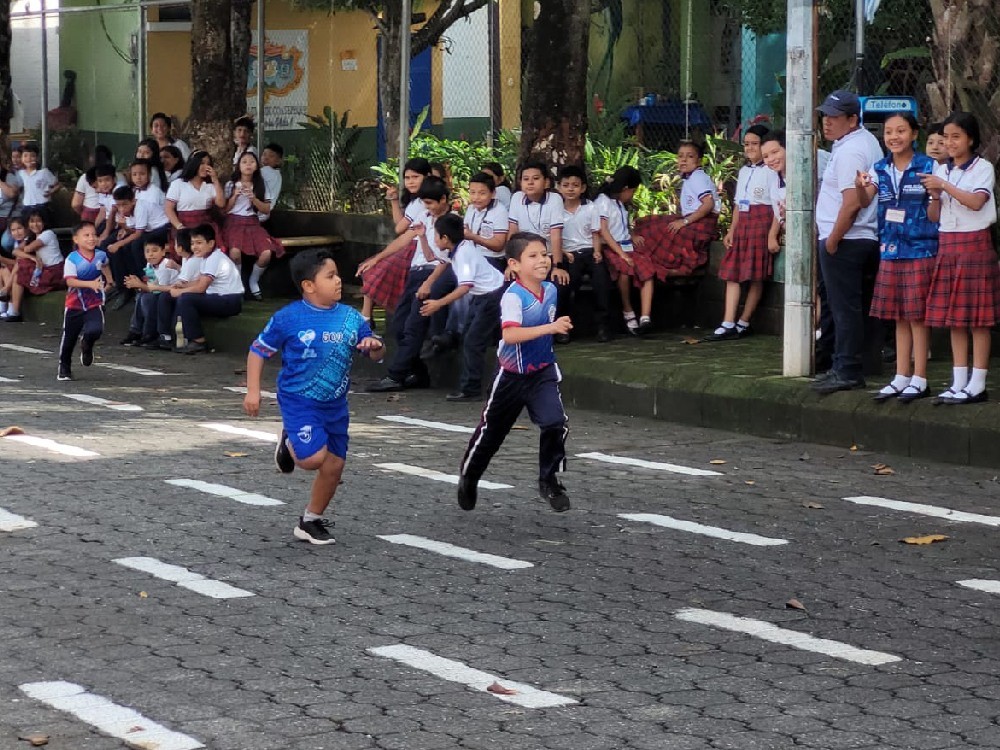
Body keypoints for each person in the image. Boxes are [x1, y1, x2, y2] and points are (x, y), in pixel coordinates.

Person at [243, 248, 384, 546]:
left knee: (334, 466)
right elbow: (258, 351)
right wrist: (253, 391)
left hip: (336, 404)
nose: (338, 282)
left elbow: (377, 350)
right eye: (330, 276)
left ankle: (310, 521)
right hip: (299, 399)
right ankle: (290, 439)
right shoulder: (288, 318)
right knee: (312, 460)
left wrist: (373, 345)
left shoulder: (350, 318)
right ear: (308, 285)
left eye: (338, 275)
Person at [457, 232, 572, 513]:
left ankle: (549, 480)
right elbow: (510, 335)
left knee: (555, 422)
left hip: (542, 372)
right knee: (491, 434)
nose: (542, 261)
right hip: (510, 377)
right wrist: (551, 327)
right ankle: (469, 478)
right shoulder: (513, 296)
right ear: (514, 264)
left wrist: (553, 329)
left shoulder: (552, 290)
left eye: (544, 255)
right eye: (532, 256)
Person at [855, 113, 938, 403]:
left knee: (917, 316)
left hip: (921, 249)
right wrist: (858, 185)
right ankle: (901, 376)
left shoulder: (929, 167)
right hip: (890, 249)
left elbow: (937, 211)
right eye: (889, 131)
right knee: (898, 316)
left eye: (901, 131)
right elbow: (865, 200)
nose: (894, 136)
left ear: (915, 134)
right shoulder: (879, 168)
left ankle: (921, 378)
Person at [920, 111, 1000, 405]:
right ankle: (958, 381)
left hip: (974, 245)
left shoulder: (983, 168)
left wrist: (944, 187)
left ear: (971, 139)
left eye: (956, 137)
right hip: (948, 245)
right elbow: (934, 216)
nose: (950, 143)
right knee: (955, 319)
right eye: (946, 137)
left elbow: (977, 202)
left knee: (978, 321)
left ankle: (978, 383)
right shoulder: (941, 171)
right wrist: (934, 195)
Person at [811, 89, 884, 394]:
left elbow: (852, 203)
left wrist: (833, 240)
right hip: (862, 238)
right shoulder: (863, 142)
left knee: (844, 308)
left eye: (835, 117)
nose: (827, 123)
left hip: (846, 239)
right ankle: (854, 363)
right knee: (856, 307)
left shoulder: (851, 150)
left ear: (853, 119)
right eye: (825, 116)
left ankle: (847, 369)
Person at [368, 176, 455, 392]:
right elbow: (409, 241)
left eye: (431, 203)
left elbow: (446, 260)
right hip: (416, 272)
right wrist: (378, 258)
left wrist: (429, 283)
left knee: (413, 325)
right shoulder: (424, 216)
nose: (428, 208)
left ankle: (396, 374)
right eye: (425, 203)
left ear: (444, 199)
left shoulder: (453, 222)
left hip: (435, 274)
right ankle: (419, 373)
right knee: (398, 325)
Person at [418, 213, 505, 402]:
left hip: (491, 296)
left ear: (445, 238)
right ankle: (472, 385)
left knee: (474, 341)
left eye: (435, 235)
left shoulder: (464, 253)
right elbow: (434, 258)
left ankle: (472, 389)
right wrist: (423, 236)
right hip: (482, 296)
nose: (435, 239)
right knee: (469, 337)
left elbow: (465, 287)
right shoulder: (457, 248)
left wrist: (438, 303)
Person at [706, 124, 775, 341]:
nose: (750, 148)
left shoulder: (772, 171)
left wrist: (773, 233)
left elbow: (776, 205)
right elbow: (737, 204)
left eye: (755, 144)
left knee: (756, 276)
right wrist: (731, 230)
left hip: (761, 222)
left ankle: (744, 322)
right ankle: (727, 322)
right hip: (743, 222)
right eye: (747, 144)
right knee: (732, 273)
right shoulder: (744, 171)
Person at [358, 157, 433, 327]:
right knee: (372, 269)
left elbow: (400, 229)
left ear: (427, 176)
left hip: (415, 248)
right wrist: (393, 200)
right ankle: (366, 318)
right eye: (407, 178)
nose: (411, 181)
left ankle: (366, 318)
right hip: (411, 244)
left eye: (416, 177)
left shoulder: (422, 201)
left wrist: (393, 202)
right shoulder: (416, 201)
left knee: (374, 271)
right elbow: (401, 227)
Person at [593, 165, 654, 335]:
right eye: (633, 192)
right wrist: (621, 254)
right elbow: (603, 231)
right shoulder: (603, 202)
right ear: (626, 188)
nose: (632, 196)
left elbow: (622, 225)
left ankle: (645, 317)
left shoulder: (620, 203)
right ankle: (628, 310)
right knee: (625, 270)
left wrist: (632, 235)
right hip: (612, 247)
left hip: (626, 244)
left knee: (647, 270)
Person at [554, 165, 612, 342]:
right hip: (568, 254)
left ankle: (603, 326)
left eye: (575, 185)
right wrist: (564, 253)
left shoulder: (591, 207)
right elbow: (553, 237)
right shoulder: (555, 209)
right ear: (559, 187)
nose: (570, 189)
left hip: (588, 251)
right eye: (566, 185)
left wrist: (597, 252)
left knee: (602, 280)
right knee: (565, 285)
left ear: (583, 188)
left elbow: (595, 233)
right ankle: (563, 328)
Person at [169, 224, 244, 354]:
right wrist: (182, 285)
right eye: (192, 243)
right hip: (218, 297)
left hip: (230, 300)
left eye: (199, 243)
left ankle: (199, 341)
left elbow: (200, 288)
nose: (194, 247)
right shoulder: (206, 257)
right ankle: (171, 337)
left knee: (186, 299)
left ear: (211, 243)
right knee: (177, 298)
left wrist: (179, 292)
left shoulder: (214, 259)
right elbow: (200, 281)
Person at [57, 222, 113, 381]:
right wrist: (90, 284)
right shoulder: (72, 259)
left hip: (94, 302)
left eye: (94, 235)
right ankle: (64, 367)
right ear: (76, 239)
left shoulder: (100, 255)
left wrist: (109, 280)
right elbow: (70, 282)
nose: (91, 238)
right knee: (69, 338)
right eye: (86, 235)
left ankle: (87, 345)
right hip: (74, 304)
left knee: (96, 329)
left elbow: (105, 265)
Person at [224, 151, 283, 300]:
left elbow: (266, 209)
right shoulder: (231, 184)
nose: (248, 165)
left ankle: (253, 281)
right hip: (234, 222)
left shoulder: (261, 184)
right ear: (239, 166)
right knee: (235, 252)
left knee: (266, 253)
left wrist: (254, 199)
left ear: (257, 166)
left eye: (252, 162)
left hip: (252, 223)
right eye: (244, 162)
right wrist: (235, 196)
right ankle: (237, 284)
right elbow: (224, 209)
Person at [105, 184, 172, 312]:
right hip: (147, 231)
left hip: (161, 229)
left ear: (133, 201)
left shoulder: (140, 207)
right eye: (118, 205)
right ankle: (125, 286)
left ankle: (145, 280)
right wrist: (123, 228)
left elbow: (138, 233)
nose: (122, 208)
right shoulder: (126, 212)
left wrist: (119, 243)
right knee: (121, 249)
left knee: (135, 246)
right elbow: (132, 230)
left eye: (125, 205)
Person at [3, 211, 66, 323]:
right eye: (32, 222)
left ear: (44, 222)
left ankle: (11, 304)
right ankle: (11, 310)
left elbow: (27, 249)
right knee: (13, 268)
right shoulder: (32, 237)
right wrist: (32, 258)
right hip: (44, 270)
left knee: (20, 268)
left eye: (38, 221)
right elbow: (15, 251)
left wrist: (28, 255)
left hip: (54, 272)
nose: (35, 224)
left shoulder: (48, 234)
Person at [121, 238, 180, 347]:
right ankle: (136, 331)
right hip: (159, 292)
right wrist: (137, 283)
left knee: (148, 298)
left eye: (154, 250)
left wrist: (139, 285)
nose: (151, 254)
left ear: (163, 252)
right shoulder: (149, 265)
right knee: (140, 296)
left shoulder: (165, 265)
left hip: (170, 294)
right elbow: (150, 284)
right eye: (147, 251)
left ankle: (149, 333)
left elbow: (158, 289)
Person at [508, 162, 565, 263]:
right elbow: (513, 231)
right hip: (524, 256)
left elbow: (556, 235)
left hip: (547, 255)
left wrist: (557, 266)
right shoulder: (516, 198)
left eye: (535, 178)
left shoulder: (554, 199)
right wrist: (511, 263)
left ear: (546, 182)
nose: (530, 182)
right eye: (525, 179)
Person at [165, 151, 226, 244]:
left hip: (205, 226)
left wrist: (215, 180)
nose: (206, 167)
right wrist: (179, 226)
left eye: (208, 164)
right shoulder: (178, 184)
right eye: (202, 163)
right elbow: (169, 208)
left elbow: (221, 204)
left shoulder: (209, 185)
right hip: (184, 225)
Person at [153, 229, 200, 350]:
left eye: (175, 243)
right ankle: (166, 335)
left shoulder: (192, 261)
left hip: (192, 290)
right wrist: (176, 267)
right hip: (189, 287)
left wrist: (156, 287)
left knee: (165, 297)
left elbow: (181, 283)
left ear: (180, 247)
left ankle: (167, 335)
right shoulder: (187, 258)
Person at [17, 144, 59, 224]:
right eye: (25, 156)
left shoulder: (44, 172)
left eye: (32, 156)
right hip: (26, 207)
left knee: (44, 227)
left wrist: (51, 191)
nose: (28, 159)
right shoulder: (19, 174)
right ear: (21, 158)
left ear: (37, 158)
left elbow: (57, 185)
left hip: (42, 206)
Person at [761, 131, 787, 255]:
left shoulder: (818, 159)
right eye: (765, 156)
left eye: (775, 152)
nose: (771, 159)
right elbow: (780, 216)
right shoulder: (775, 184)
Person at [259, 143, 284, 220]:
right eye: (264, 154)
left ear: (278, 161)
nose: (266, 158)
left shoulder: (266, 171)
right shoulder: (278, 175)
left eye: (271, 156)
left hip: (256, 213)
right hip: (264, 215)